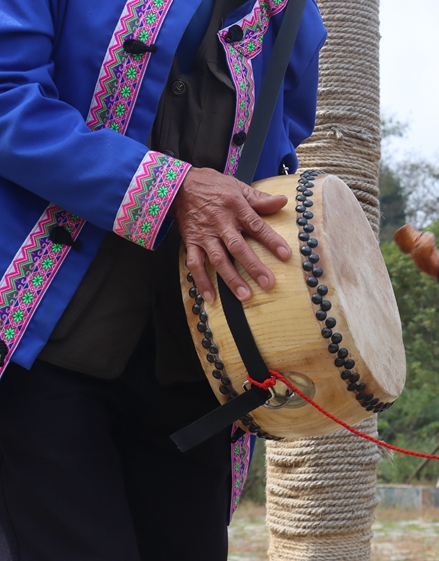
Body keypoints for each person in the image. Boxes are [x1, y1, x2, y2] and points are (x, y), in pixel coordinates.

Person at [0, 0, 326, 559]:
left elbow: (281, 151)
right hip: (43, 346)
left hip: (199, 377)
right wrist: (170, 190)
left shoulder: (295, 16)